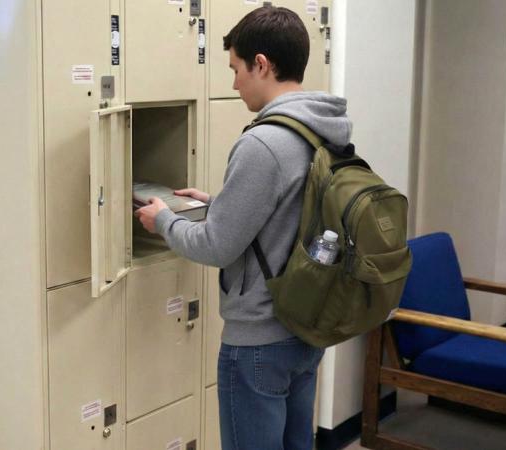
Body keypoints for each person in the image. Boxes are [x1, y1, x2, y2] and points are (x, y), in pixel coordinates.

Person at [134, 6, 353, 450]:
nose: (233, 84)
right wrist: (220, 204)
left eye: (236, 69)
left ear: (262, 64)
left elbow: (216, 247)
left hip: (259, 343)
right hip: (305, 330)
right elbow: (294, 212)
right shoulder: (325, 129)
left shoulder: (264, 142)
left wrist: (165, 221)